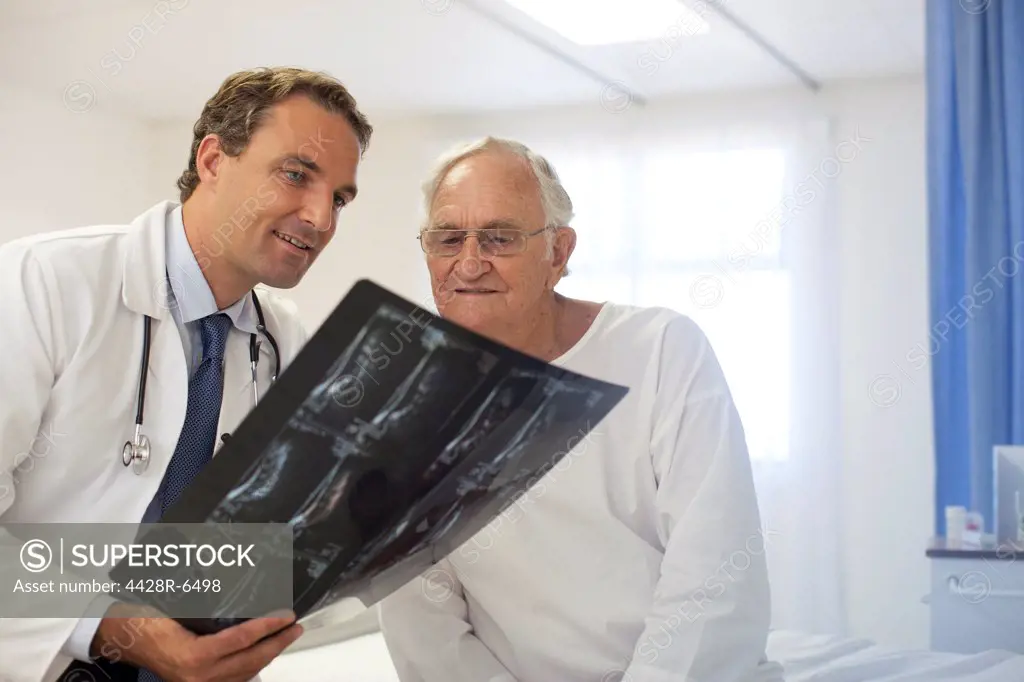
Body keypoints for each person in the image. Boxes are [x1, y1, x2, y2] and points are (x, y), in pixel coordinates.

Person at [0, 66, 372, 682]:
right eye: (297, 174)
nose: (320, 217)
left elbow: (246, 546)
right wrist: (105, 625)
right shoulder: (41, 284)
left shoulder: (286, 342)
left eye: (339, 197)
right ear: (213, 159)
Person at [378, 137, 785, 682]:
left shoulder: (662, 350)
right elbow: (422, 623)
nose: (469, 263)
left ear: (559, 253)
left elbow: (713, 572)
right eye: (448, 239)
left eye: (499, 238)